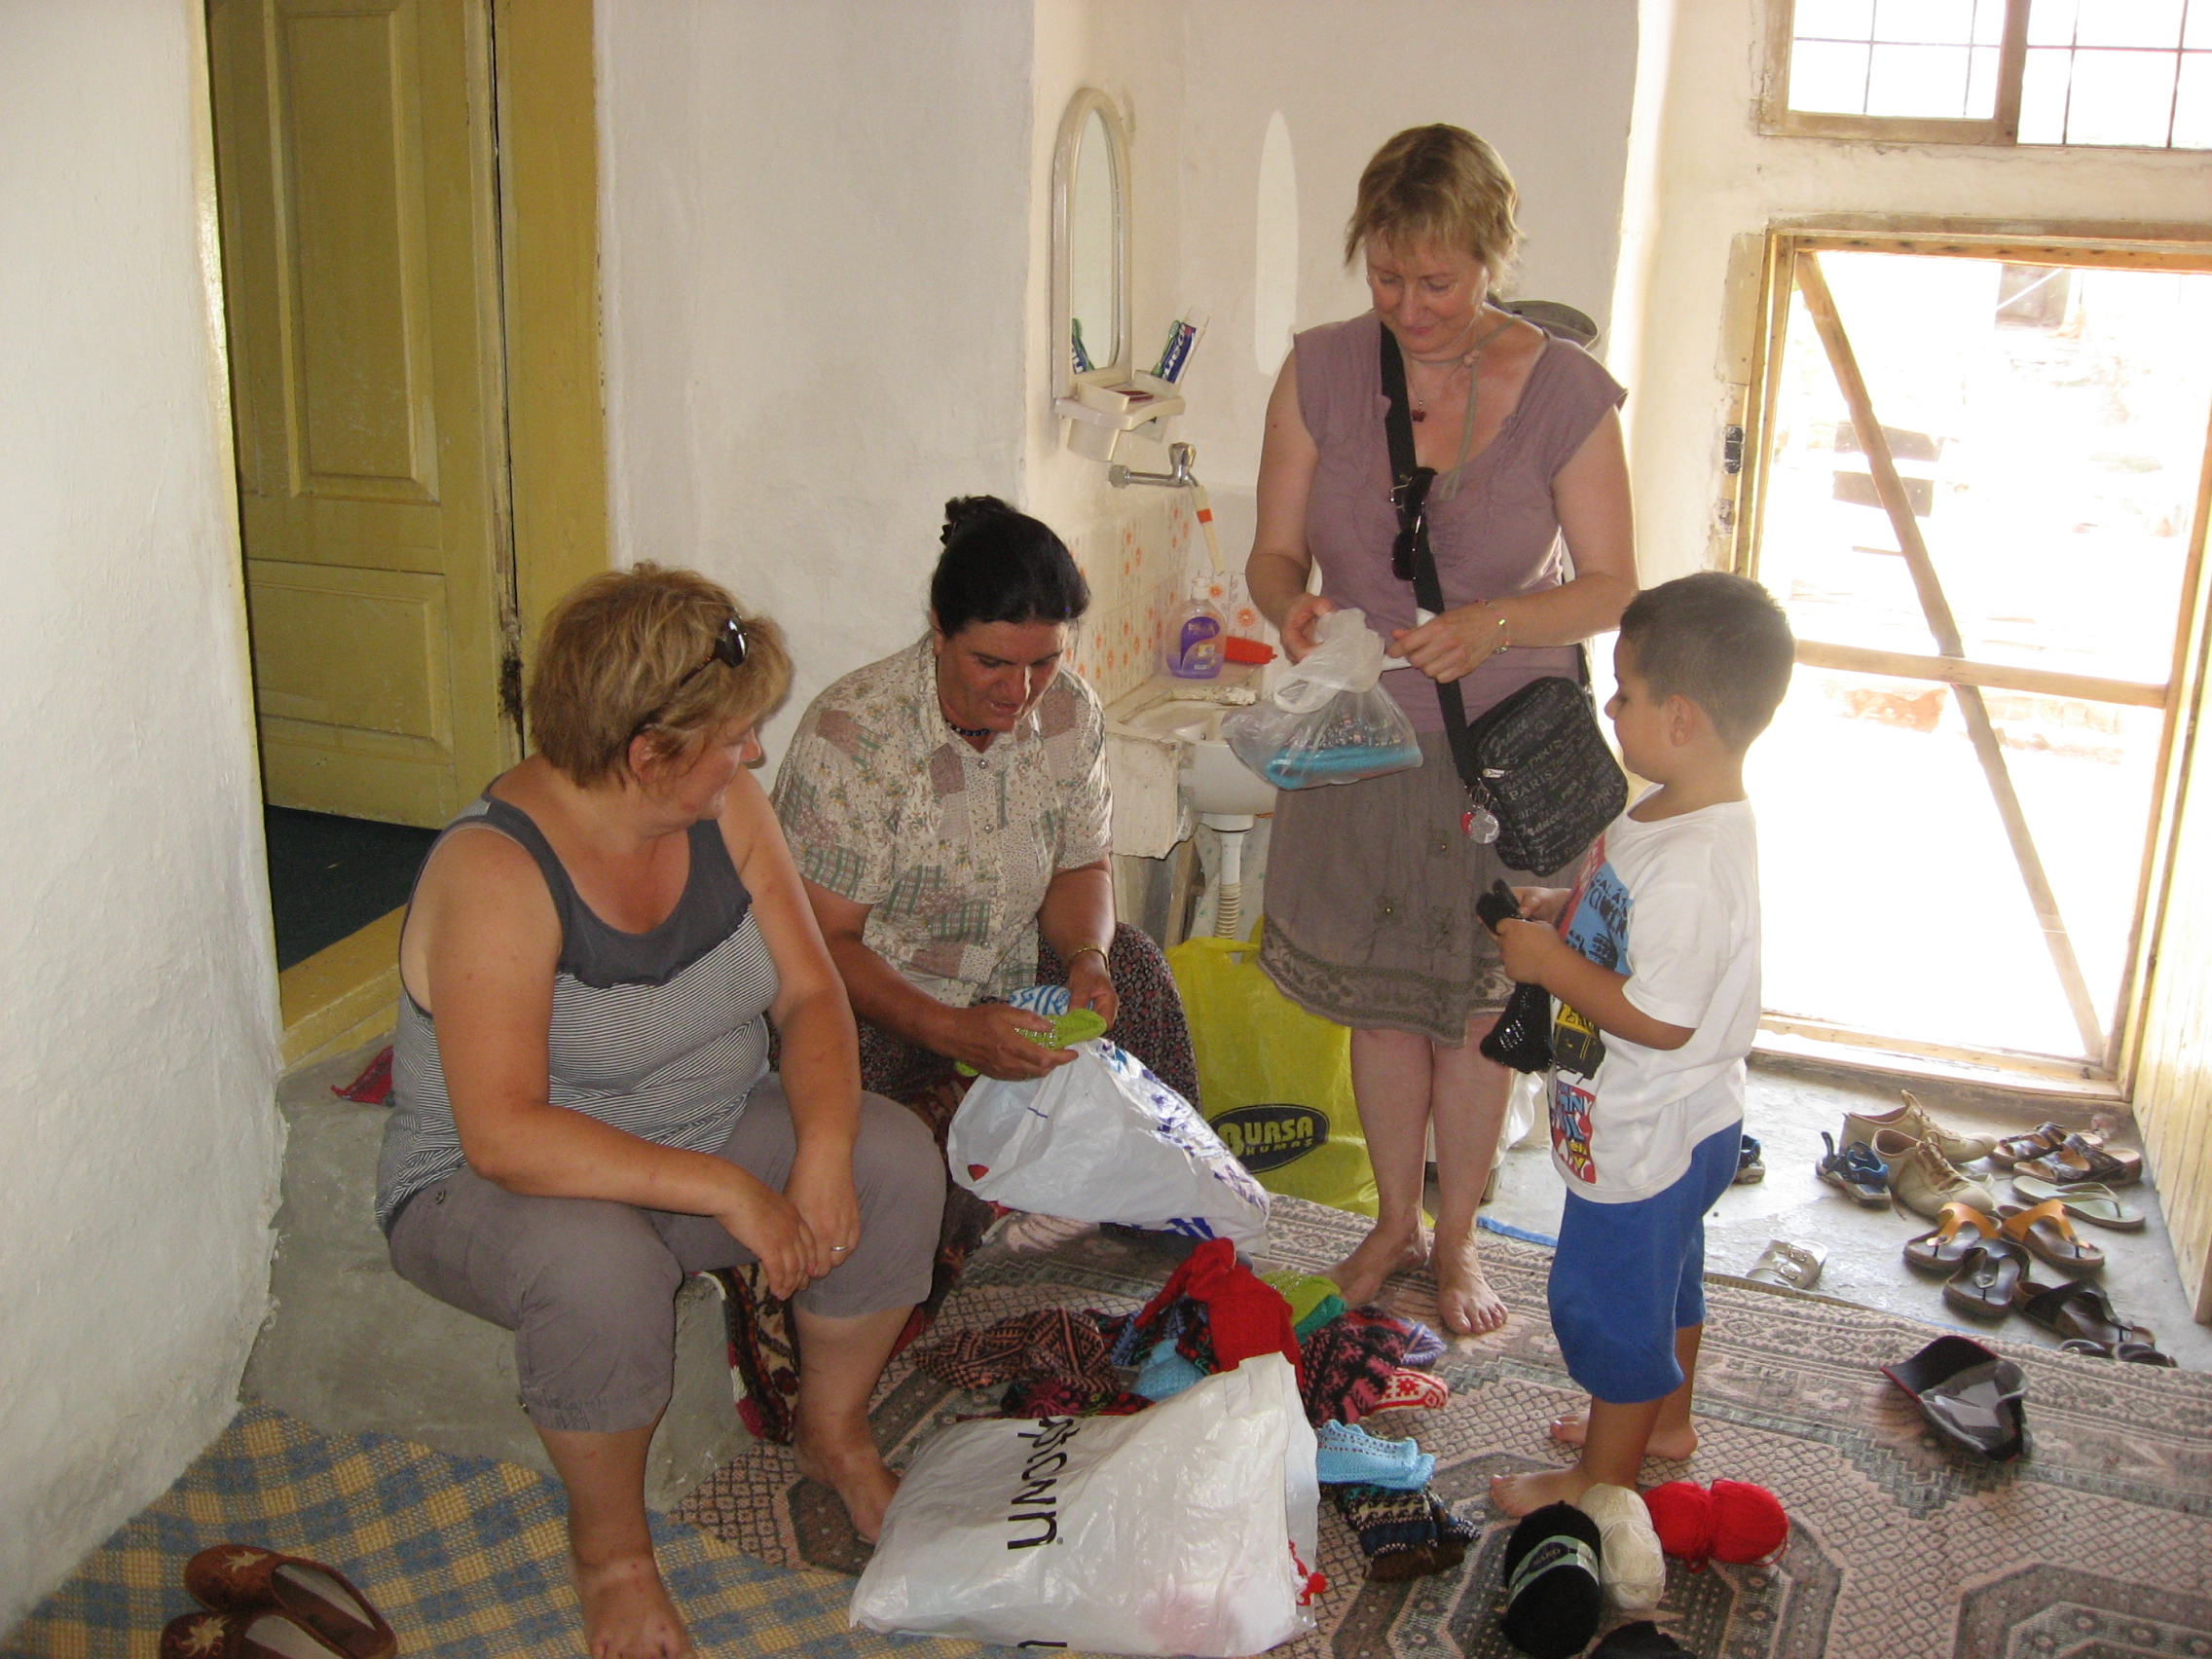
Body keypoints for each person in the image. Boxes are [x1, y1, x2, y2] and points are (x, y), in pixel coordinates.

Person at [376, 567, 942, 1659]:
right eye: (733, 738)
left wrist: (822, 1150)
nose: (755, 756)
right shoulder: (496, 871)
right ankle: (612, 1555)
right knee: (604, 1272)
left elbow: (810, 995)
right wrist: (730, 1191)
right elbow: (504, 1134)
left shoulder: (724, 810)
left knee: (892, 1158)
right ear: (648, 755)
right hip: (486, 1185)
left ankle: (831, 1432)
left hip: (701, 1121)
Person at [1244, 125, 1638, 1334]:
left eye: (1438, 283)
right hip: (1363, 745)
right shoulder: (1319, 371)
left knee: (1474, 1013)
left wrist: (1494, 623)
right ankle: (1390, 1225)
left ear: (1490, 259)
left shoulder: (1565, 393)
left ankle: (1457, 1239)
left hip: (1500, 755)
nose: (1409, 308)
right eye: (1385, 278)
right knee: (1381, 1005)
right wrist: (1289, 607)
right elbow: (1271, 554)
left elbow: (1613, 587)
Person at [772, 496, 1199, 1275]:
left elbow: (1081, 865)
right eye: (992, 663)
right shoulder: (857, 736)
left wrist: (1088, 958)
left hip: (1009, 972)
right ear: (939, 630)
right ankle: (948, 1264)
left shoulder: (1069, 713)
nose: (1020, 691)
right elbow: (821, 942)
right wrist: (949, 1030)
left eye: (1044, 662)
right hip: (876, 996)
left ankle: (1149, 1241)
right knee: (868, 1113)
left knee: (1136, 971)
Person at [1486, 572, 1793, 1514]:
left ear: (1683, 718)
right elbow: (1634, 928)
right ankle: (1665, 1423)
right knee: (1668, 1283)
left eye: (1625, 694)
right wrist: (1565, 915)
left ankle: (1602, 1480)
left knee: (1611, 1303)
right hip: (1686, 1120)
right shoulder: (1668, 809)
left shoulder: (1696, 864)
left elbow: (1663, 1017)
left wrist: (1548, 966)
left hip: (1648, 1130)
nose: (1611, 711)